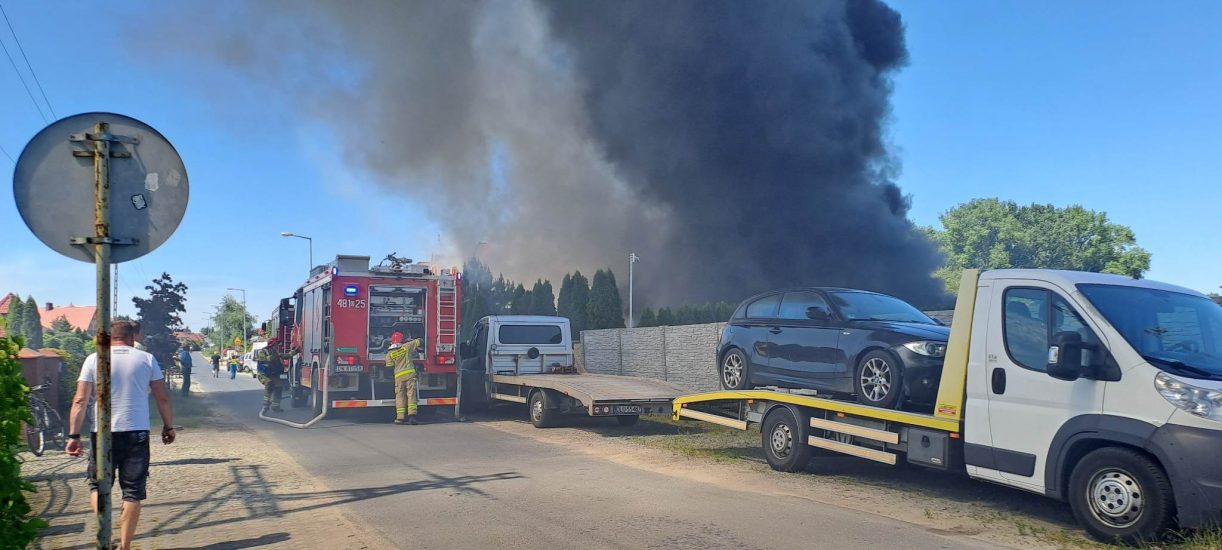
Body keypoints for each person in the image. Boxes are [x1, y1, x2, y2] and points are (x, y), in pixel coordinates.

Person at [65, 320, 175, 550]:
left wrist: (74, 435)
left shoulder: (94, 359)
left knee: (98, 486)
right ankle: (124, 546)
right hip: (136, 432)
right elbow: (162, 397)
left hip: (102, 434)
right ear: (132, 337)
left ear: (108, 336)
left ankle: (107, 536)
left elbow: (80, 400)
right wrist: (168, 426)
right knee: (133, 493)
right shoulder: (146, 359)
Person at [386, 331, 423, 425]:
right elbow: (419, 341)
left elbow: (389, 366)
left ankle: (400, 418)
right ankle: (412, 416)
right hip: (410, 375)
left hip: (398, 377)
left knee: (400, 396)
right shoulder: (406, 347)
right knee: (411, 395)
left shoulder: (389, 354)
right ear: (402, 340)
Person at [258, 342, 285, 413]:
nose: (277, 347)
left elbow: (285, 356)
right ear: (271, 346)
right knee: (269, 384)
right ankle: (265, 406)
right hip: (263, 374)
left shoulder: (275, 352)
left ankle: (276, 407)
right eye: (276, 345)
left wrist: (295, 352)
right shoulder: (262, 352)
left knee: (279, 388)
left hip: (274, 374)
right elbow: (267, 359)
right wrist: (275, 355)